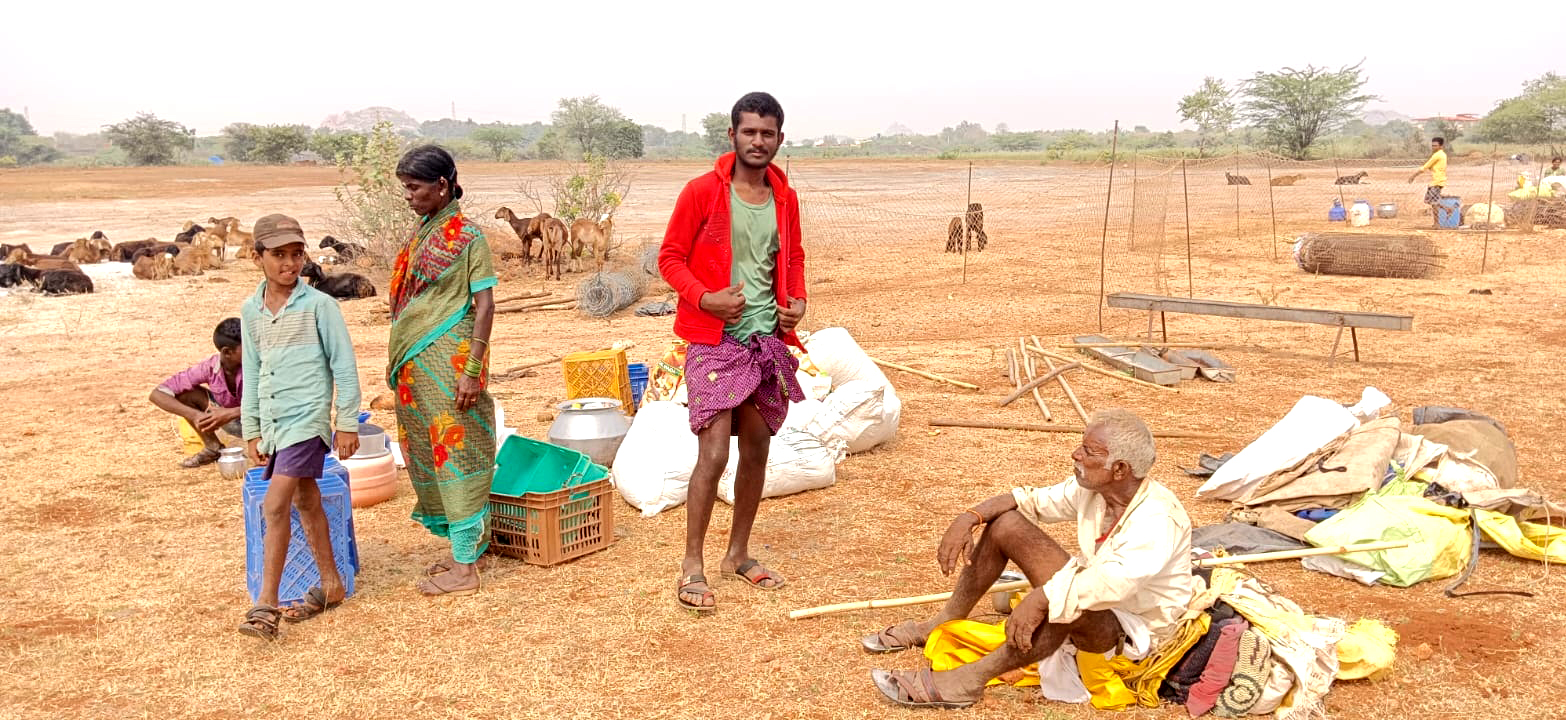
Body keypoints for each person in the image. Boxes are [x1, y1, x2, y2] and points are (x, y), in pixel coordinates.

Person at [863, 409, 1195, 709]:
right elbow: (1028, 500)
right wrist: (969, 517)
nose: (1075, 454)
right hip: (1098, 597)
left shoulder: (1157, 518)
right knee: (1006, 524)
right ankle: (944, 620)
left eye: (1089, 451)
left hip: (1135, 632)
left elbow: (1114, 584)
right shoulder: (1096, 490)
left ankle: (968, 681)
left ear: (1120, 469)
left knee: (1065, 604)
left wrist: (1042, 597)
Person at [658, 91, 808, 613]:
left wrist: (798, 302)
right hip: (713, 340)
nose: (758, 141)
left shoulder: (784, 200)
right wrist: (705, 298)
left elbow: (793, 259)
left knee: (759, 446)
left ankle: (738, 554)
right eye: (749, 132)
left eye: (768, 133)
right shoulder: (702, 192)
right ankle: (692, 564)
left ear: (779, 140)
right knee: (715, 451)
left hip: (765, 339)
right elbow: (670, 258)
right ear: (733, 136)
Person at [237, 213, 361, 640]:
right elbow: (251, 373)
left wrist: (346, 422)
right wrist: (251, 428)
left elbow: (343, 367)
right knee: (306, 499)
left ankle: (264, 607)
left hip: (307, 421)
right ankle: (331, 584)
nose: (289, 264)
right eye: (278, 255)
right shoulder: (250, 311)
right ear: (258, 258)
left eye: (296, 254)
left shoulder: (320, 306)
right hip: (275, 422)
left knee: (274, 506)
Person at [388, 145, 498, 597]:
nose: (409, 196)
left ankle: (465, 569)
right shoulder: (423, 233)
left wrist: (473, 371)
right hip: (417, 369)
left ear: (442, 186)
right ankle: (463, 549)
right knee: (430, 456)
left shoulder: (468, 237)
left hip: (449, 367)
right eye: (405, 189)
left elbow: (485, 304)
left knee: (458, 454)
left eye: (413, 188)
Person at [150, 317, 244, 467]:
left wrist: (231, 413)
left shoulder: (258, 365)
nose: (254, 349)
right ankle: (213, 447)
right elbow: (156, 394)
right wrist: (196, 415)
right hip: (227, 417)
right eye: (247, 346)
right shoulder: (210, 367)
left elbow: (274, 401)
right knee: (184, 395)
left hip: (258, 419)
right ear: (227, 352)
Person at [1408, 137, 1448, 227]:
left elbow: (1425, 167)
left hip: (1437, 181)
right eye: (1432, 145)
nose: (1433, 147)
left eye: (1435, 146)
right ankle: (1447, 210)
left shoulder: (1437, 155)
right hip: (1437, 181)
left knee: (1434, 203)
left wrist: (1413, 176)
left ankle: (1437, 223)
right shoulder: (1442, 155)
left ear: (1441, 146)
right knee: (1432, 201)